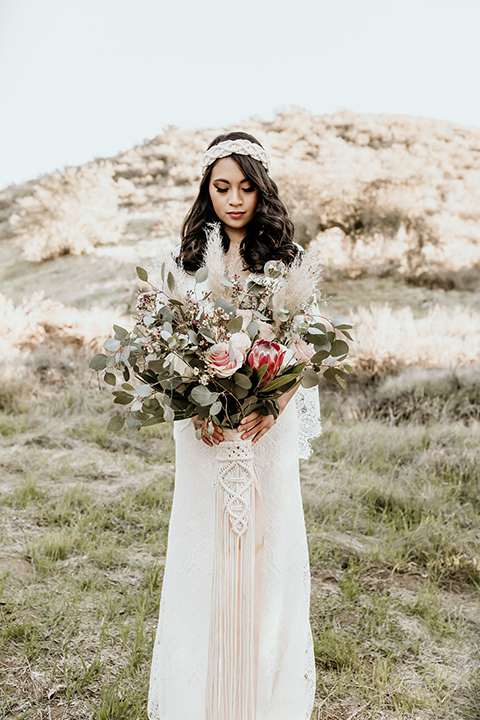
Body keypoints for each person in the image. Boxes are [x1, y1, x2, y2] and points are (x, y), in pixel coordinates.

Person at [147, 131, 321, 720]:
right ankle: (199, 696)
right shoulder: (188, 263)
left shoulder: (287, 261)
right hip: (205, 434)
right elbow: (166, 349)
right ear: (207, 189)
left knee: (268, 549)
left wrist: (272, 404)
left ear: (262, 189)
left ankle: (263, 697)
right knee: (204, 549)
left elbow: (305, 349)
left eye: (246, 187)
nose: (235, 199)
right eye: (222, 187)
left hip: (263, 427)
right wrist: (195, 407)